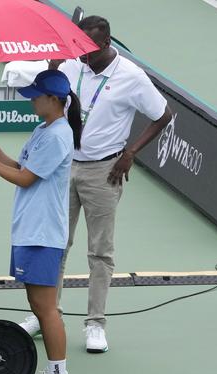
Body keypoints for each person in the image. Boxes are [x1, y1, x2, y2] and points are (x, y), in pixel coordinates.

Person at [19, 16, 172, 353]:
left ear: (106, 43)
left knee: (100, 251)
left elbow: (163, 114)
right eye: (79, 47)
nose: (83, 54)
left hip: (105, 171)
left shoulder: (131, 76)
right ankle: (48, 314)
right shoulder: (73, 65)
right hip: (64, 166)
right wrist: (55, 63)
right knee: (55, 244)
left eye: (88, 48)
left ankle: (95, 323)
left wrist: (130, 152)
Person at [0, 69, 81, 374]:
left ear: (54, 99)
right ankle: (53, 373)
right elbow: (20, 167)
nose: (31, 100)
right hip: (30, 229)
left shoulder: (58, 135)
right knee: (37, 304)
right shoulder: (43, 129)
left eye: (36, 95)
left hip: (43, 232)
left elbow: (25, 180)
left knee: (46, 308)